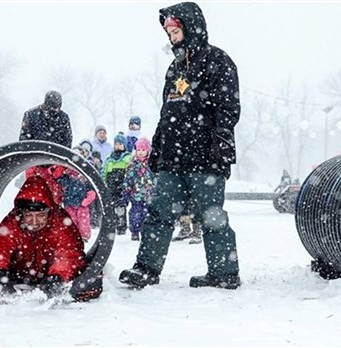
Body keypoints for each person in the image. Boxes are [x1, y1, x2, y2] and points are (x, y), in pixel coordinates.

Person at [119, 2, 241, 290]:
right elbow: (167, 112)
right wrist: (158, 148)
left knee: (210, 216)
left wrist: (221, 140)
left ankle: (224, 273)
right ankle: (147, 268)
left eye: (175, 30)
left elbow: (228, 107)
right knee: (159, 212)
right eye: (169, 32)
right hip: (172, 159)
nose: (171, 36)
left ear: (190, 27)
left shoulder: (217, 61)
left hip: (205, 156)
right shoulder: (174, 68)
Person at [0, 176, 99, 305]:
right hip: (19, 276)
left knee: (87, 286)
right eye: (29, 216)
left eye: (40, 216)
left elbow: (69, 253)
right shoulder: (13, 223)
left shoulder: (59, 222)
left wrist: (57, 276)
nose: (34, 222)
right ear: (21, 213)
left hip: (49, 276)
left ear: (48, 212)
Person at [54, 150, 97, 242]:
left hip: (82, 202)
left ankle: (84, 236)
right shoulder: (67, 175)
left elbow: (91, 189)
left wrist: (87, 200)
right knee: (71, 219)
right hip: (69, 201)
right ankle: (72, 235)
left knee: (83, 219)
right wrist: (60, 167)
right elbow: (57, 178)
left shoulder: (85, 175)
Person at [121, 138, 155, 241]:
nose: (140, 152)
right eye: (139, 150)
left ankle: (146, 232)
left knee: (147, 215)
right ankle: (135, 231)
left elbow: (155, 179)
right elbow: (128, 180)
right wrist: (125, 194)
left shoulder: (151, 165)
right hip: (136, 196)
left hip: (149, 195)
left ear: (148, 151)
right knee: (135, 214)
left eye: (143, 150)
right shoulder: (132, 165)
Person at [103, 134, 132, 235]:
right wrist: (103, 182)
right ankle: (112, 224)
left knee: (120, 206)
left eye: (120, 144)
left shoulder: (128, 158)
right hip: (111, 186)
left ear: (124, 145)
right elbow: (104, 172)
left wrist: (127, 184)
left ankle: (121, 225)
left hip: (122, 186)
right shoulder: (109, 159)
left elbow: (130, 172)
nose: (118, 146)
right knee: (111, 206)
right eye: (116, 144)